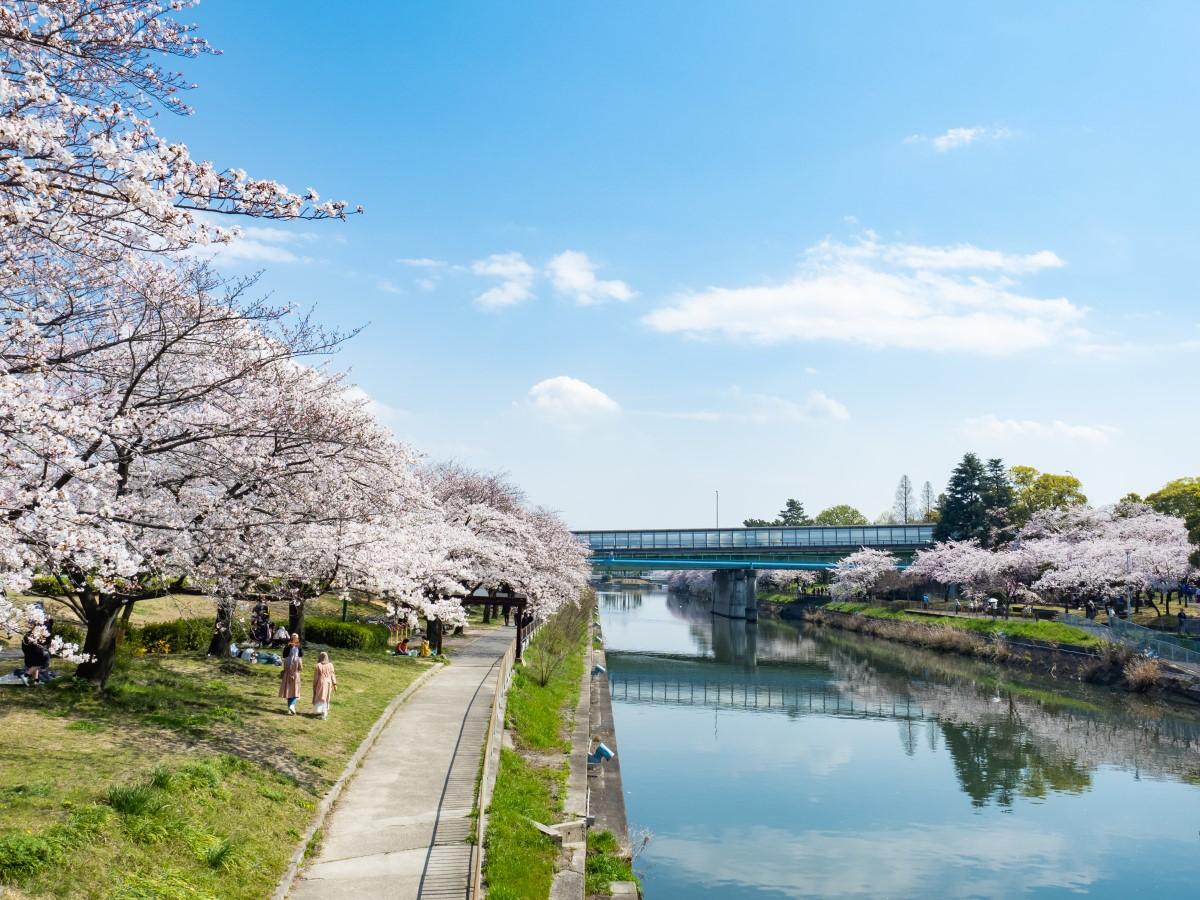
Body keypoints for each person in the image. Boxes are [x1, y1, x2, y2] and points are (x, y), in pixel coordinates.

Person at [279, 633, 303, 714]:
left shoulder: (287, 658)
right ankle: (292, 705)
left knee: (289, 691)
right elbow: (301, 668)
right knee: (295, 690)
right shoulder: (298, 658)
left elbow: (284, 658)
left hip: (287, 675)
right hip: (295, 675)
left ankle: (289, 709)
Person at [312, 651, 337, 720]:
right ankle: (323, 712)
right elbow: (332, 674)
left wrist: (314, 685)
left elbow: (316, 677)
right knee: (326, 697)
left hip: (321, 683)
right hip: (329, 683)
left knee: (321, 697)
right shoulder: (330, 665)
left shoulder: (318, 665)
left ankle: (323, 713)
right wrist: (334, 683)